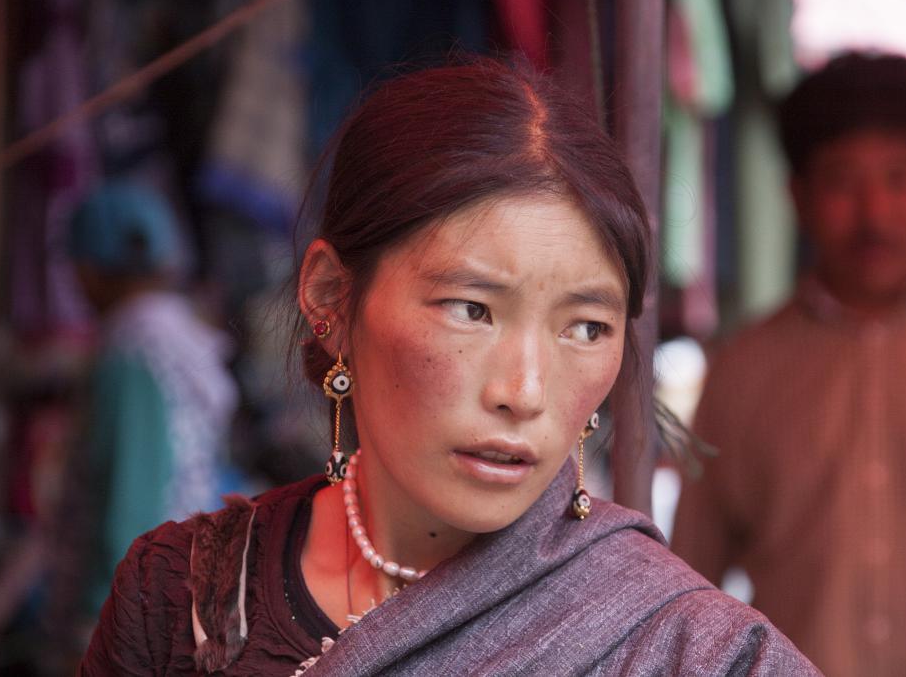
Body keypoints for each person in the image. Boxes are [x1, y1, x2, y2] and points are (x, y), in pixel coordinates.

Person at [80, 59, 817, 675]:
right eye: (471, 309)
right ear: (332, 298)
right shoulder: (181, 597)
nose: (524, 391)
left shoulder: (693, 653)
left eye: (587, 326)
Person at [671, 51, 906, 677]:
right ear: (798, 197)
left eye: (898, 178)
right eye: (842, 181)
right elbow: (691, 591)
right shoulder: (745, 370)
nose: (874, 213)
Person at [57, 182, 239, 641]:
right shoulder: (180, 336)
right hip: (180, 594)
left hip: (137, 613)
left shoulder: (133, 348)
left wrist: (106, 625)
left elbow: (130, 499)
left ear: (88, 272)